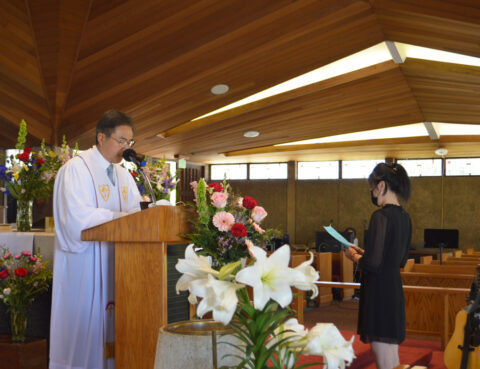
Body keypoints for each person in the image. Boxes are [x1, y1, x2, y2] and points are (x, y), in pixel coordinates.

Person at [49, 110, 142, 369]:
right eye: (121, 141)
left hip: (119, 265)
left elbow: (137, 216)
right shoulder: (75, 170)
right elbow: (76, 219)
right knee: (85, 336)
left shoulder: (124, 175)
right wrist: (120, 217)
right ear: (101, 137)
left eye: (129, 143)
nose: (125, 148)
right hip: (86, 266)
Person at [345, 162, 411, 369]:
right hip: (393, 289)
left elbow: (373, 263)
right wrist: (366, 253)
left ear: (381, 186)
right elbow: (398, 259)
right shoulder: (404, 217)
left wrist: (353, 256)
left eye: (372, 187)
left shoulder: (380, 216)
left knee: (383, 359)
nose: (372, 192)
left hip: (378, 292)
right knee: (391, 357)